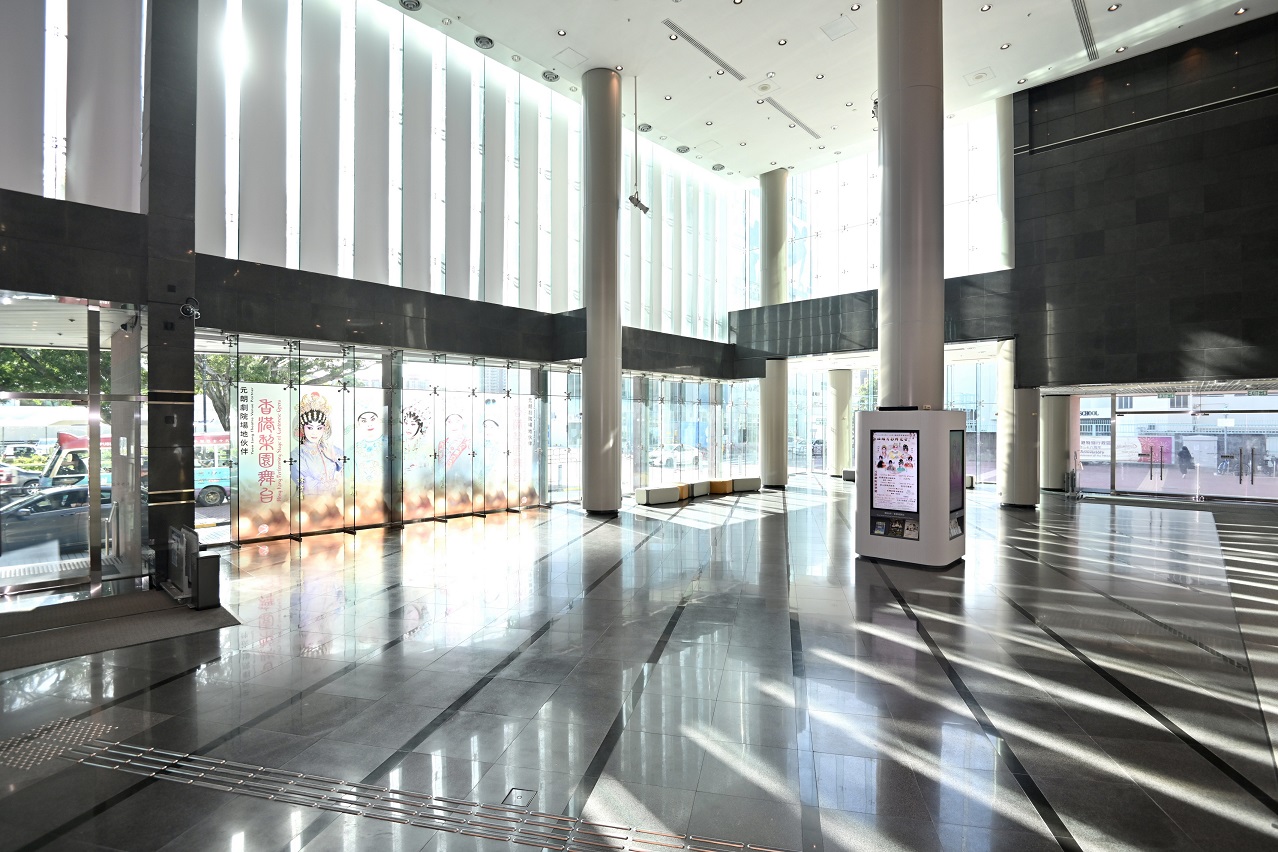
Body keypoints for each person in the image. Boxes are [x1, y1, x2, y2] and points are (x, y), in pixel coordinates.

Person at [292, 391, 342, 498]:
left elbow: (351, 466)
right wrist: (331, 484)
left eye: (319, 428)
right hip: (308, 501)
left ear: (325, 429)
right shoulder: (297, 454)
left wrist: (335, 458)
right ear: (302, 428)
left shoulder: (330, 449)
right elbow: (303, 481)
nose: (314, 433)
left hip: (333, 500)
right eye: (310, 427)